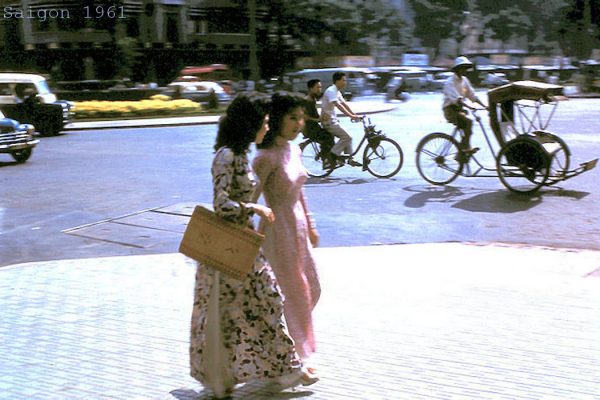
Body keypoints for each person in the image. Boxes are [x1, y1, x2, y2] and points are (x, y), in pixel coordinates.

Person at [189, 92, 318, 399]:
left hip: (246, 244)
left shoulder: (241, 154)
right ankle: (230, 378)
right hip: (230, 248)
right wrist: (255, 209)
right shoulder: (227, 156)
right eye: (264, 121)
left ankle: (287, 369)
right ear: (249, 124)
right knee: (233, 315)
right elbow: (222, 204)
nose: (267, 126)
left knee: (266, 306)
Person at [253, 91, 321, 372]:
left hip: (298, 228)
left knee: (312, 287)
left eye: (301, 118)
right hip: (276, 230)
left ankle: (284, 349)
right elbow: (250, 196)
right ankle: (292, 360)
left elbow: (300, 190)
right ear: (277, 118)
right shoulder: (264, 158)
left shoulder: (295, 150)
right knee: (290, 293)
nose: (299, 123)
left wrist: (312, 224)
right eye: (292, 117)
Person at [442, 56, 487, 158]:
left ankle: (462, 151)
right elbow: (457, 99)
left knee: (468, 126)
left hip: (459, 109)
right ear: (457, 69)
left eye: (465, 68)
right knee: (468, 122)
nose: (464, 70)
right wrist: (470, 107)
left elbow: (472, 95)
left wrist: (485, 106)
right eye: (462, 68)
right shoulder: (450, 82)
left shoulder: (464, 80)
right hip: (450, 109)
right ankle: (464, 149)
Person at [321, 72, 363, 166]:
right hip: (328, 121)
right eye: (343, 80)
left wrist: (354, 114)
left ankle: (349, 158)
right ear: (337, 81)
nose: (345, 83)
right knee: (346, 137)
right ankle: (332, 156)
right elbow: (338, 105)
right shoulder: (331, 91)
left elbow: (344, 104)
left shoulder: (337, 92)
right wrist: (351, 116)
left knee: (348, 136)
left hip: (333, 120)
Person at [303, 79, 336, 168]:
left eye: (320, 87)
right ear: (311, 88)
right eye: (317, 87)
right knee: (328, 137)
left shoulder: (312, 99)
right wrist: (319, 120)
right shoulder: (307, 100)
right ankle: (325, 160)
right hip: (310, 128)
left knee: (330, 134)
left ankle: (328, 156)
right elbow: (304, 116)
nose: (319, 89)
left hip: (314, 126)